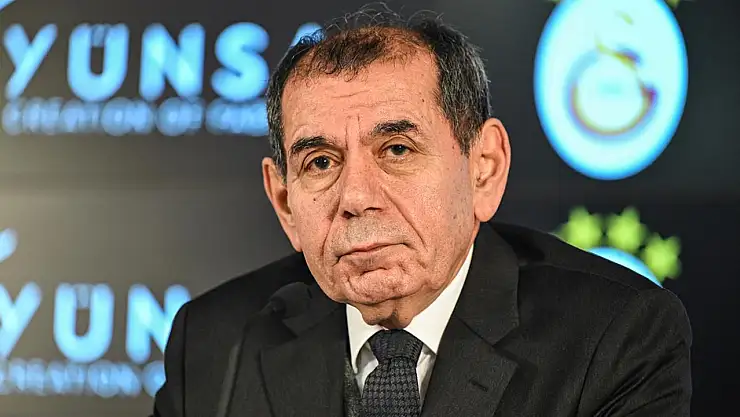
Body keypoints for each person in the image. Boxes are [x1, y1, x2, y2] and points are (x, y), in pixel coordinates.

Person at [151, 6, 692, 417]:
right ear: (286, 202)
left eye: (397, 150)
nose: (355, 197)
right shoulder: (215, 344)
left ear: (483, 170)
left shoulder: (615, 336)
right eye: (321, 162)